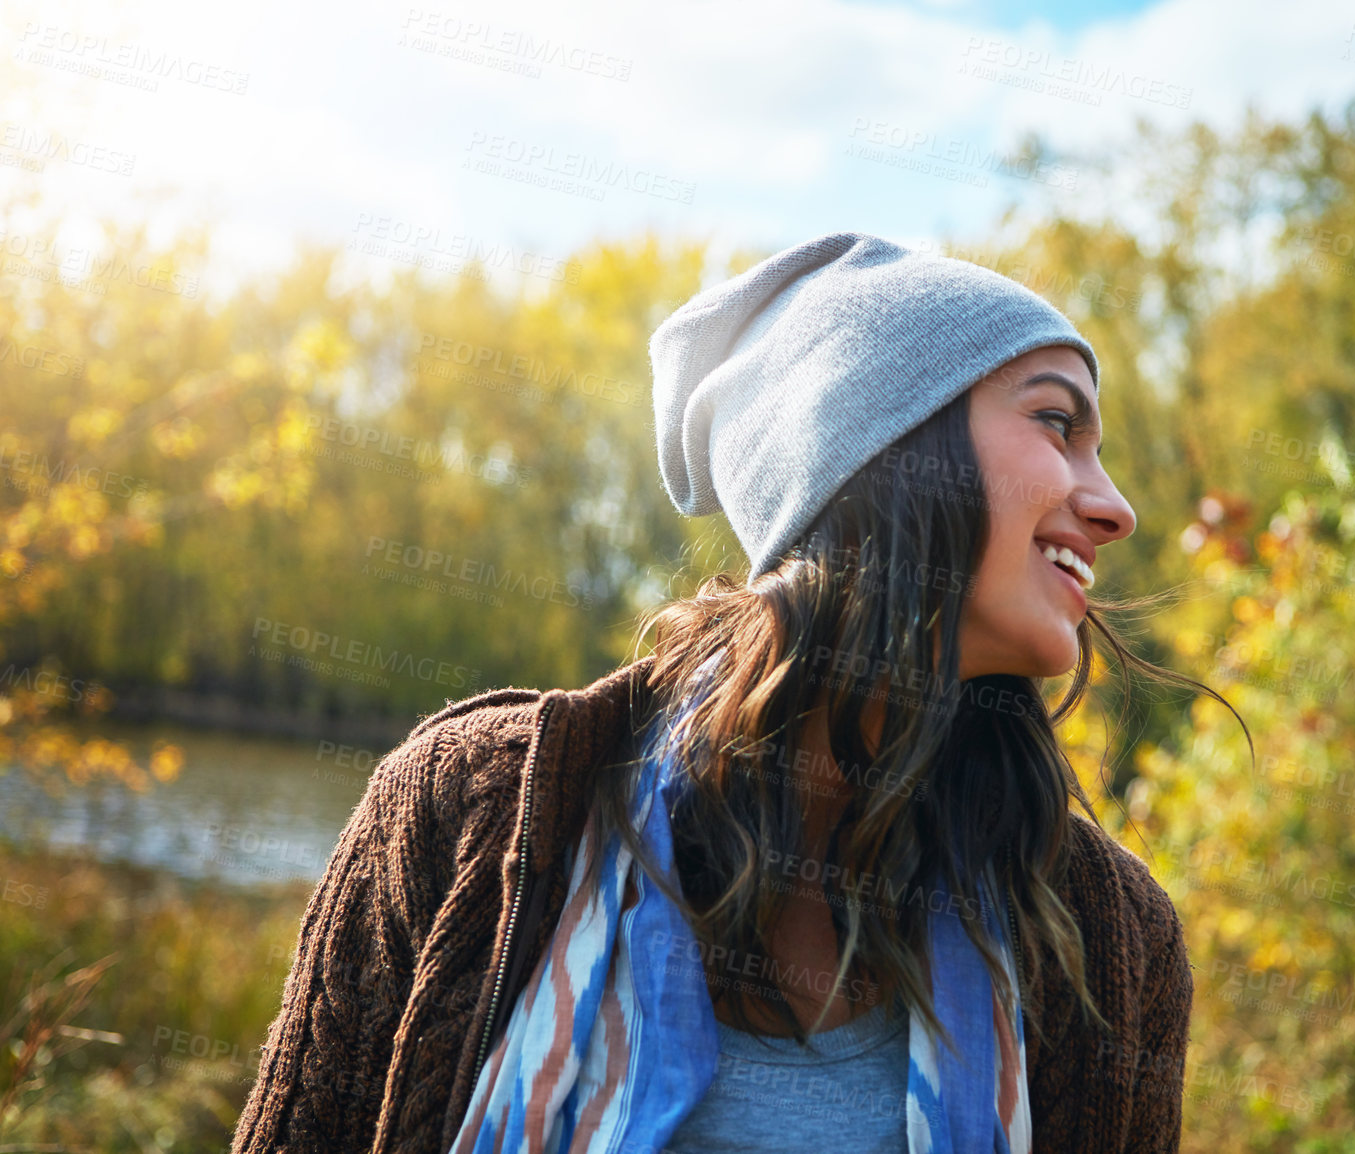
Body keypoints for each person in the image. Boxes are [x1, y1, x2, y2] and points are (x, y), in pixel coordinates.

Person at [231, 231, 1245, 1154]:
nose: (1115, 505)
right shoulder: (467, 813)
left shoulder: (1109, 942)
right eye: (1057, 421)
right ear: (881, 455)